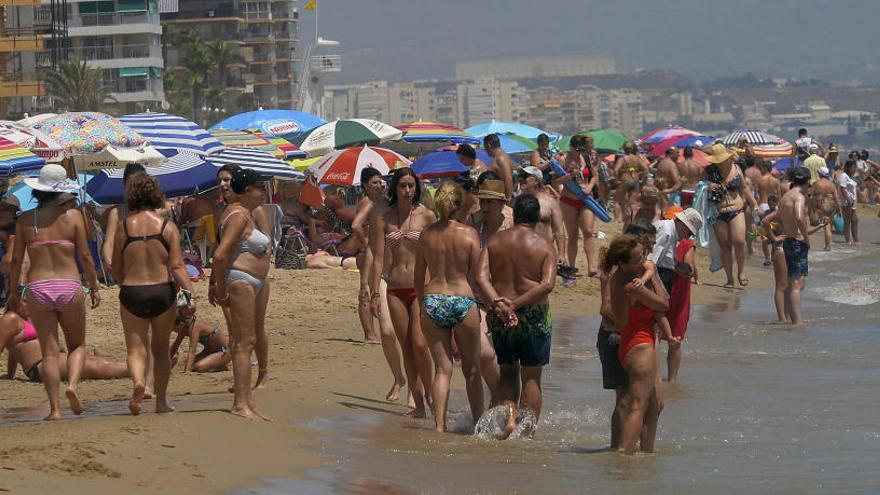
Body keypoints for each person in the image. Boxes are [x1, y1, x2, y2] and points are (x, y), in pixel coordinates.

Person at [7, 164, 101, 420]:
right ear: (62, 192)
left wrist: (13, 291)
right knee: (77, 345)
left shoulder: (26, 219)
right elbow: (85, 256)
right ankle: (71, 385)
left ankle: (56, 410)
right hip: (69, 285)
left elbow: (16, 261)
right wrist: (94, 286)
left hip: (38, 288)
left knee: (49, 352)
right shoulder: (73, 217)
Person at [111, 173, 193, 415]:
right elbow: (177, 267)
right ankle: (161, 402)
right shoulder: (167, 227)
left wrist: (124, 284)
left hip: (133, 291)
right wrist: (189, 297)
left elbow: (116, 268)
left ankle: (139, 382)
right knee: (160, 349)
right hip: (161, 291)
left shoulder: (124, 227)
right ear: (156, 194)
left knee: (135, 349)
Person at [476, 195, 556, 439]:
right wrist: (517, 305)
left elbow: (480, 277)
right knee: (532, 375)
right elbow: (547, 284)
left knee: (508, 370)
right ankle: (527, 433)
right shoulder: (544, 245)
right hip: (533, 313)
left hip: (501, 314)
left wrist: (500, 304)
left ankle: (510, 418)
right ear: (536, 218)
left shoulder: (494, 241)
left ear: (516, 215)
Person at [414, 182, 483, 432]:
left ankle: (439, 426)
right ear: (459, 204)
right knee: (472, 369)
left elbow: (418, 275)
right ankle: (478, 425)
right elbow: (477, 276)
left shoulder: (427, 235)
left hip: (433, 299)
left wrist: (423, 303)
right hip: (462, 298)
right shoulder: (469, 234)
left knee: (442, 370)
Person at [369, 167, 436, 418]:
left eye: (411, 186)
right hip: (395, 287)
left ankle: (430, 394)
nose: (407, 191)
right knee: (406, 347)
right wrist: (374, 293)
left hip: (421, 287)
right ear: (395, 189)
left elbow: (438, 252)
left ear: (416, 187)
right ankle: (418, 403)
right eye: (402, 186)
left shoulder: (427, 216)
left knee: (420, 344)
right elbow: (377, 258)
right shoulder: (384, 218)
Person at [213, 168, 272, 421]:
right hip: (241, 281)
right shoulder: (238, 215)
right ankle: (240, 403)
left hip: (249, 281)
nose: (264, 192)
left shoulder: (243, 213)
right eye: (260, 188)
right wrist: (220, 288)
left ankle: (247, 400)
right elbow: (219, 254)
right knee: (244, 342)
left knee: (245, 341)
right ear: (248, 191)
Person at [604, 234, 669, 454]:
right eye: (637, 258)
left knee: (654, 404)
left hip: (633, 342)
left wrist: (647, 274)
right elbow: (663, 303)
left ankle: (646, 454)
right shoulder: (633, 286)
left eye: (643, 255)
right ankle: (623, 455)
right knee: (638, 406)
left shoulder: (621, 276)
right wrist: (654, 275)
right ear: (623, 263)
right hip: (639, 345)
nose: (643, 260)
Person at [597, 218, 654, 449]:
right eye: (645, 247)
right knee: (625, 402)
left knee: (631, 401)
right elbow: (605, 308)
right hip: (614, 336)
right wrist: (626, 324)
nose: (647, 254)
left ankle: (623, 449)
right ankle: (618, 451)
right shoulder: (616, 273)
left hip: (621, 336)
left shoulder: (633, 269)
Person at [1, 305, 128, 382]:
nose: (30, 302)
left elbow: (14, 350)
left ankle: (139, 367)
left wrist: (10, 374)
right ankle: (139, 370)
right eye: (25, 299)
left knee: (105, 360)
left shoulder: (31, 317)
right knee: (97, 366)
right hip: (41, 365)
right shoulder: (10, 318)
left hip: (56, 358)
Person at [705, 144, 757, 288]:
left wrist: (754, 204)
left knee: (739, 241)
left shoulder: (736, 169)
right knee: (725, 247)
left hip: (736, 209)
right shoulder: (709, 171)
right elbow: (700, 186)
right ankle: (729, 279)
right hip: (719, 212)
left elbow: (744, 189)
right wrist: (707, 186)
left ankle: (741, 271)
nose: (718, 162)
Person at [777, 167, 826, 325]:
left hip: (788, 241)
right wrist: (806, 238)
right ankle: (798, 322)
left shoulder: (785, 197)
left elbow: (783, 220)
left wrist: (815, 228)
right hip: (797, 242)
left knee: (794, 282)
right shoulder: (799, 196)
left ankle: (794, 320)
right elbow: (799, 217)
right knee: (797, 283)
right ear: (807, 183)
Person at [661, 209, 702, 382]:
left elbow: (689, 269)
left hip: (679, 295)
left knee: (675, 339)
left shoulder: (686, 244)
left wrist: (675, 265)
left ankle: (672, 380)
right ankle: (653, 375)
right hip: (662, 290)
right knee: (654, 334)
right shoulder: (665, 235)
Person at [554, 134, 599, 281]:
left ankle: (591, 266)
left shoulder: (585, 158)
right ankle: (572, 266)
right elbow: (555, 182)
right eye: (577, 148)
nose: (579, 151)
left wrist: (590, 186)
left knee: (588, 231)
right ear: (571, 147)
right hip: (568, 199)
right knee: (572, 235)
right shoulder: (562, 159)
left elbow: (594, 176)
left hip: (586, 198)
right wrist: (569, 175)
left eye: (582, 148)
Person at [519, 166, 566, 266]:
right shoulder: (516, 202)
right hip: (520, 252)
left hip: (544, 252)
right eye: (520, 175)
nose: (521, 179)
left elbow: (559, 230)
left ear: (536, 180)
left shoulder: (550, 202)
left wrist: (561, 254)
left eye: (525, 176)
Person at [169, 309, 230, 373]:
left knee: (199, 367)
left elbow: (192, 351)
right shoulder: (184, 327)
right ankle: (215, 363)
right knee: (187, 363)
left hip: (224, 351)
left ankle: (219, 365)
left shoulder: (195, 328)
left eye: (174, 329)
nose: (173, 331)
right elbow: (175, 345)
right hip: (208, 352)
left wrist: (187, 372)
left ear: (181, 324)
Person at [613, 141, 648, 220]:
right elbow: (646, 169)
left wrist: (616, 180)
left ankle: (618, 219)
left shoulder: (622, 159)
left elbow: (615, 170)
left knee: (618, 201)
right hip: (635, 180)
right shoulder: (637, 158)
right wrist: (642, 179)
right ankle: (633, 218)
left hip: (624, 180)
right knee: (633, 202)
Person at [810, 167, 841, 251]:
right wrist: (839, 209)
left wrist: (813, 207)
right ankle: (828, 245)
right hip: (831, 205)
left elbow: (811, 196)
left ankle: (828, 246)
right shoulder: (831, 184)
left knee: (826, 226)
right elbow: (836, 198)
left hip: (822, 205)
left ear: (820, 174)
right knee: (828, 225)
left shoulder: (816, 183)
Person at [483, 134, 515, 202]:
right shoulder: (500, 157)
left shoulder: (501, 158)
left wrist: (508, 198)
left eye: (484, 147)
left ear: (489, 145)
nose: (485, 150)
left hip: (501, 198)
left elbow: (508, 178)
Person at [837, 160, 859, 244]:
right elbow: (843, 188)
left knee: (855, 221)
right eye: (854, 167)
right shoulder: (844, 176)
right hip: (847, 203)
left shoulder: (849, 177)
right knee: (847, 221)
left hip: (852, 204)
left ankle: (856, 241)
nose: (855, 169)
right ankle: (848, 241)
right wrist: (848, 200)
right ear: (849, 167)